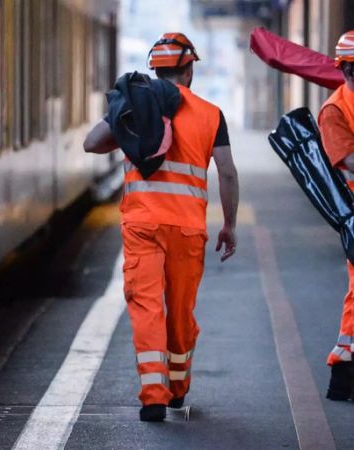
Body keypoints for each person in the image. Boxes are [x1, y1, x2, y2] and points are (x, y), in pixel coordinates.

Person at [83, 33, 240, 422]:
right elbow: (228, 173)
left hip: (142, 225)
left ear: (155, 69)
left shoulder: (138, 104)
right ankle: (177, 388)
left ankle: (153, 394)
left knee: (146, 306)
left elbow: (91, 143)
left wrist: (124, 120)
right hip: (187, 230)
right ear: (188, 70)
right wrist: (230, 225)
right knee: (180, 313)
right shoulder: (210, 114)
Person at [317, 30, 354, 402]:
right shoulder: (335, 110)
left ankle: (344, 370)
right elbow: (347, 161)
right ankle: (343, 370)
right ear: (345, 70)